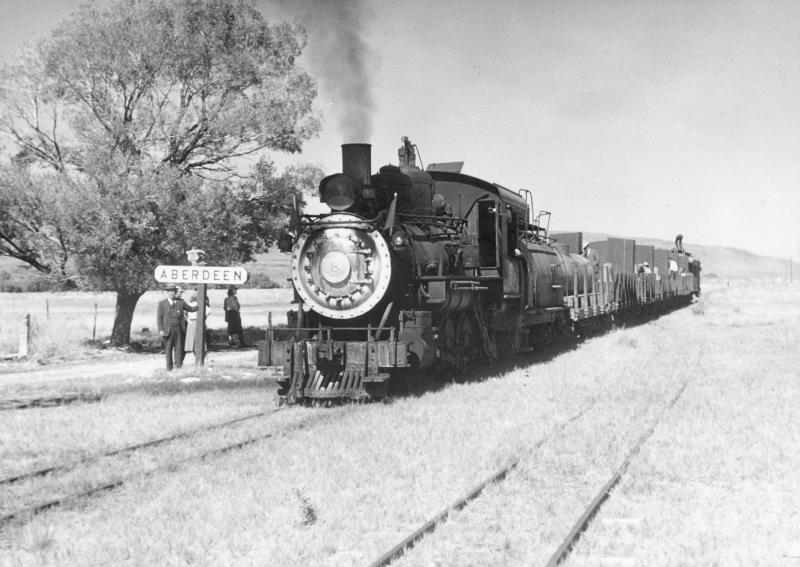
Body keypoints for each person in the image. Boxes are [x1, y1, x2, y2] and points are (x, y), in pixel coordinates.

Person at [157, 285, 196, 370]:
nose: (171, 293)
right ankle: (169, 368)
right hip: (167, 330)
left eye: (173, 291)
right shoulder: (162, 303)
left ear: (175, 292)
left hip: (178, 329)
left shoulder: (180, 302)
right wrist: (160, 330)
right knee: (168, 349)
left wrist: (201, 305)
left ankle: (178, 366)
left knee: (179, 348)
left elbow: (191, 309)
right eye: (169, 291)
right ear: (167, 293)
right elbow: (159, 318)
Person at [184, 291, 211, 362]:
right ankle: (201, 358)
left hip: (191, 323)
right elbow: (208, 311)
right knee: (199, 340)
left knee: (193, 341)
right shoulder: (200, 304)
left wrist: (188, 319)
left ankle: (198, 358)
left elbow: (184, 313)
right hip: (197, 323)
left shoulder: (190, 304)